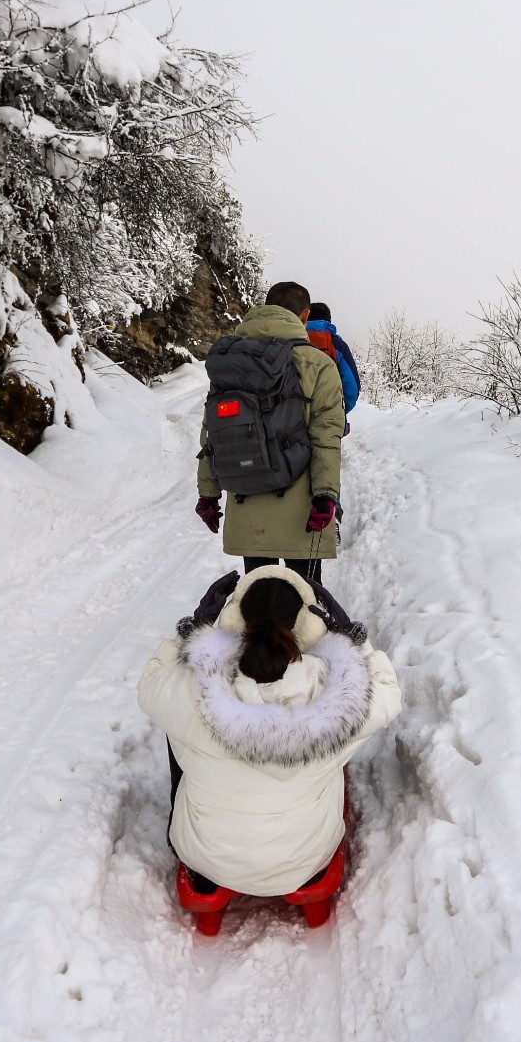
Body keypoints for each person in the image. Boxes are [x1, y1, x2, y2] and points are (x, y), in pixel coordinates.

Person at [140, 566, 402, 897]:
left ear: (236, 618)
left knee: (178, 725)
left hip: (206, 859)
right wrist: (352, 642)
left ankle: (206, 870)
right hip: (305, 862)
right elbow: (388, 696)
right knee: (337, 749)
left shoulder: (196, 687)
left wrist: (192, 631)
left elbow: (150, 685)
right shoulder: (335, 692)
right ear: (306, 623)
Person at [194, 281, 346, 582]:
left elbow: (213, 431)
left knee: (259, 597)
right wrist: (326, 495)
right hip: (301, 505)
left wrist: (208, 494)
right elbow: (326, 436)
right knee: (307, 601)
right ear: (304, 316)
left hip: (246, 497)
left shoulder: (233, 361)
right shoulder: (317, 363)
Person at [303, 302, 361, 415]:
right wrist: (340, 411)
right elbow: (352, 387)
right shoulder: (337, 345)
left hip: (292, 415)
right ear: (328, 320)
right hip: (327, 413)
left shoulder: (292, 339)